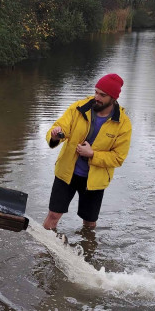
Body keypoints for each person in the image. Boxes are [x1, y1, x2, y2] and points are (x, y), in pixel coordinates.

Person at [43, 73, 132, 230]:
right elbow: (61, 126)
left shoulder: (123, 124)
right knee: (53, 216)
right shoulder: (78, 108)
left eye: (102, 95)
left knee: (89, 223)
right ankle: (43, 254)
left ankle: (86, 253)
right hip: (66, 174)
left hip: (94, 180)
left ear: (113, 98)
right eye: (96, 91)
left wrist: (92, 154)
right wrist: (55, 135)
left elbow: (118, 158)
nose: (96, 97)